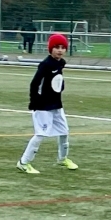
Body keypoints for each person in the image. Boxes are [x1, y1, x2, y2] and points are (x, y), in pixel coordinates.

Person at [17, 33, 77, 174]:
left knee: (64, 132)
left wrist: (60, 87)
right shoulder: (45, 65)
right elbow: (35, 84)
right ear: (50, 49)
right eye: (57, 47)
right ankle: (24, 162)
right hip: (43, 106)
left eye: (63, 47)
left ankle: (62, 159)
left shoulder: (60, 63)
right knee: (41, 134)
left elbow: (57, 81)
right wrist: (33, 101)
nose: (60, 50)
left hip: (56, 105)